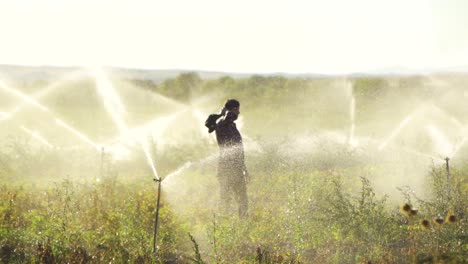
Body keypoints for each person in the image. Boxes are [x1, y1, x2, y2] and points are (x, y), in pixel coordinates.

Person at [206, 99, 249, 217]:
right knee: (226, 200)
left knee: (242, 200)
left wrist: (244, 169)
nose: (238, 113)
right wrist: (223, 112)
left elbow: (238, 151)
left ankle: (242, 225)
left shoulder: (232, 126)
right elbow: (228, 117)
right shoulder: (223, 124)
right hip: (226, 169)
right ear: (233, 110)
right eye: (237, 110)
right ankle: (224, 224)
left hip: (236, 169)